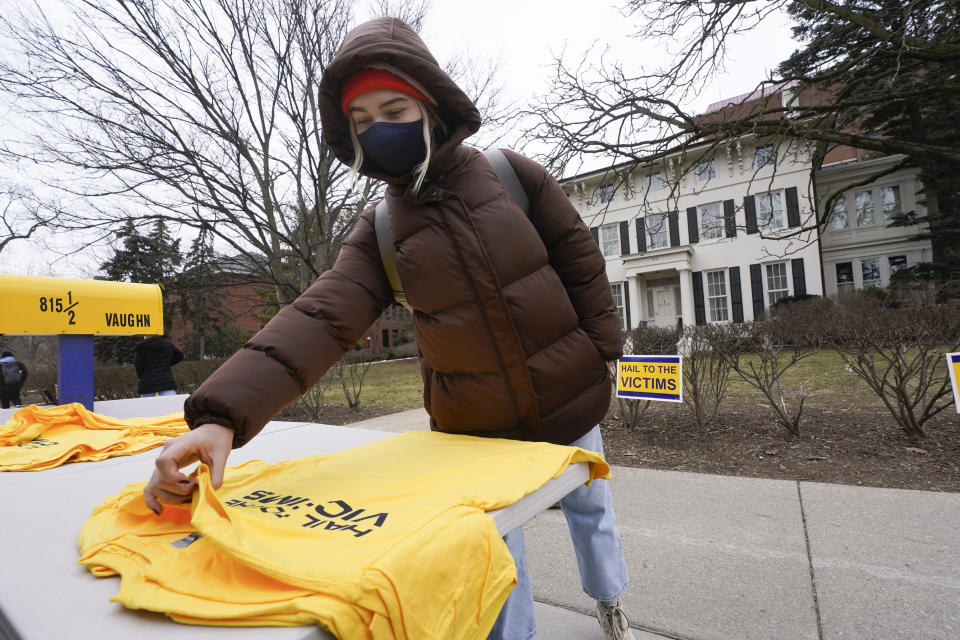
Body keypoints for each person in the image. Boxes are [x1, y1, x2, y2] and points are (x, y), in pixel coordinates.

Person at [144, 17, 634, 640]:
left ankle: (609, 601)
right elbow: (321, 316)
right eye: (362, 120)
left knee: (591, 509)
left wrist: (599, 352)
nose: (380, 128)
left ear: (429, 104)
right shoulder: (380, 229)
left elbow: (580, 260)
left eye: (394, 107)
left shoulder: (510, 174)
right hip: (474, 427)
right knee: (494, 549)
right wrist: (221, 416)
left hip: (569, 396)